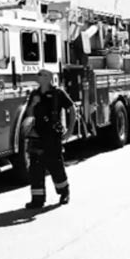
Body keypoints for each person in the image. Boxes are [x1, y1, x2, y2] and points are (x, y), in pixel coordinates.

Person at [21, 69, 77, 209]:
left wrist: (70, 131)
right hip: (36, 136)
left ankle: (64, 193)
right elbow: (29, 114)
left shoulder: (58, 93)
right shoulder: (34, 94)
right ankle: (37, 199)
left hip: (52, 136)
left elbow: (72, 109)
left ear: (48, 78)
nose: (38, 76)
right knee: (35, 169)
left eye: (41, 74)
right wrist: (33, 104)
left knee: (55, 166)